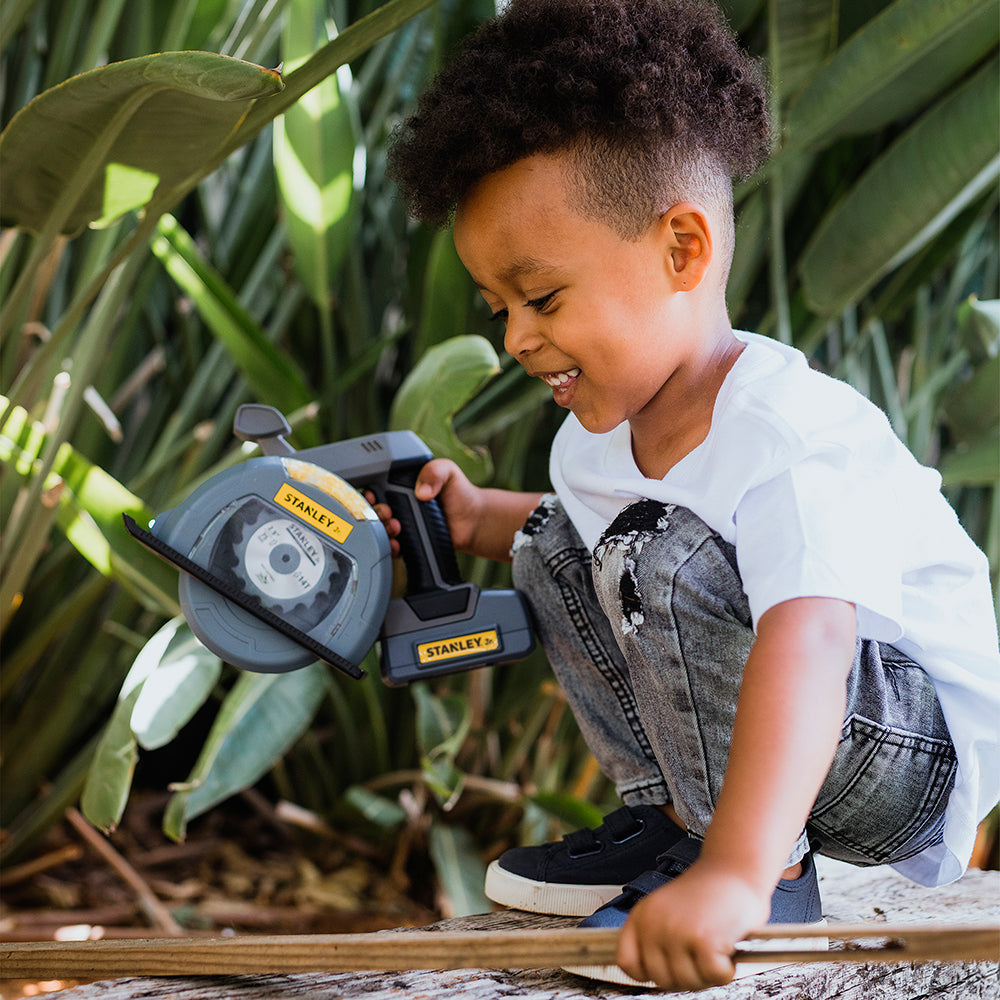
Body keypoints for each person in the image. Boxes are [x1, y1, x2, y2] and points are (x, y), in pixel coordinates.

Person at [380, 0, 1000, 990]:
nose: (514, 339)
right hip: (789, 737)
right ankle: (669, 823)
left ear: (682, 249)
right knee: (555, 540)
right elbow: (568, 540)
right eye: (499, 309)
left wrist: (741, 870)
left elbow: (811, 640)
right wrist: (473, 518)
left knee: (653, 550)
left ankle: (767, 875)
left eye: (541, 298)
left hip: (900, 754)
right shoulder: (596, 437)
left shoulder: (786, 430)